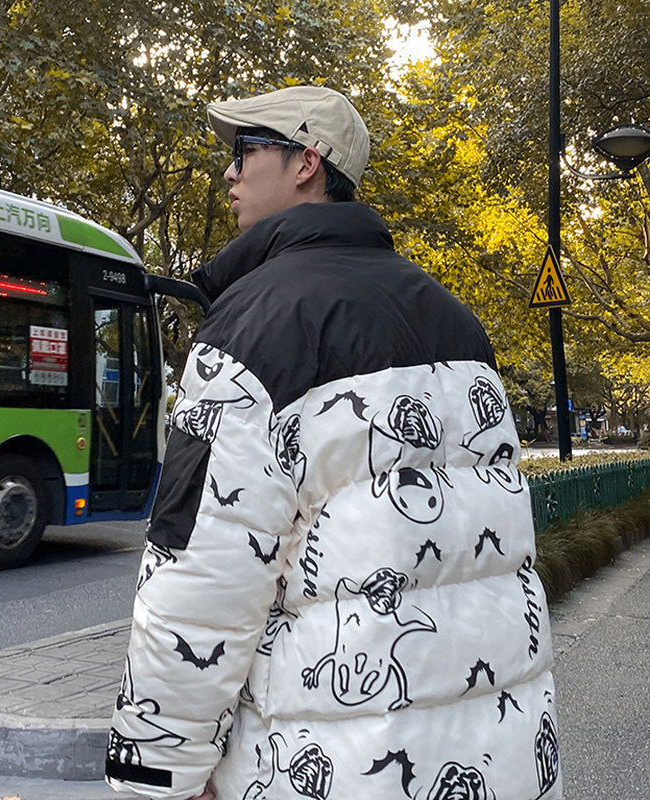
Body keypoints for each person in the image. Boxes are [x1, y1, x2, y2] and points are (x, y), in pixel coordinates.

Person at [105, 85, 561, 800]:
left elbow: (199, 578)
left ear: (305, 162)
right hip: (493, 758)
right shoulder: (460, 325)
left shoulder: (251, 331)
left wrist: (157, 774)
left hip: (324, 761)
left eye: (243, 151)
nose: (228, 173)